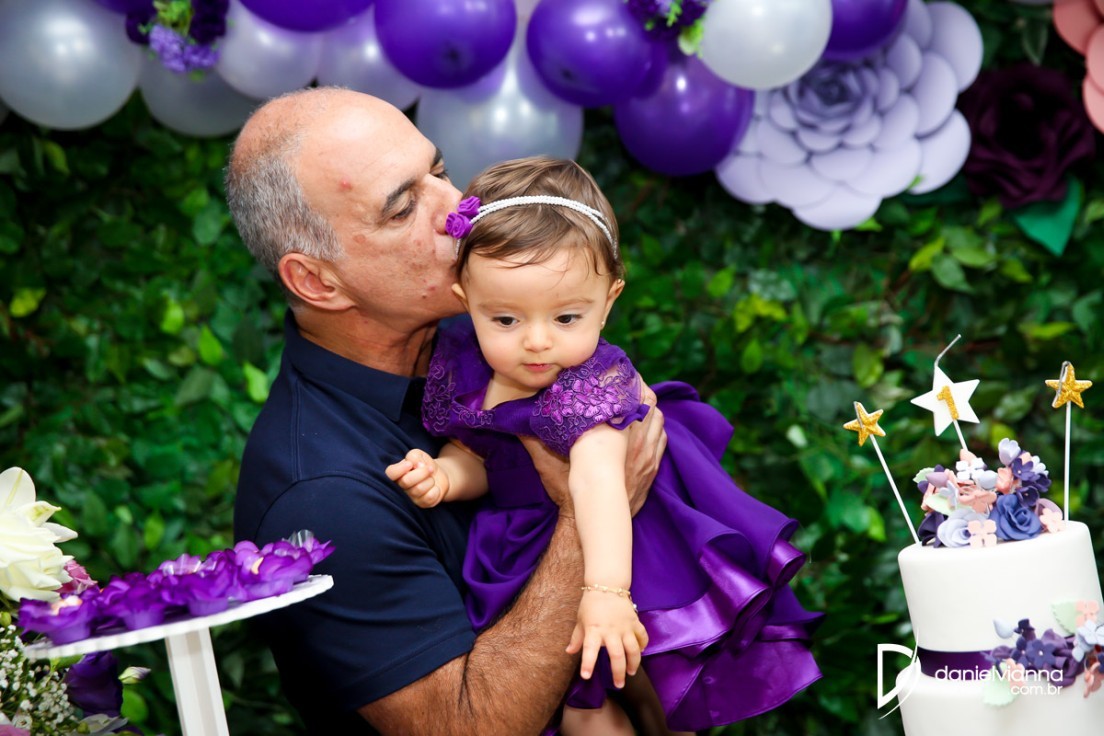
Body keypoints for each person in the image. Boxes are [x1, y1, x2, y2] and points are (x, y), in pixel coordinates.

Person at [226, 88, 667, 735]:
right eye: (404, 206)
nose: (460, 208)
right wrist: (592, 509)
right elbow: (464, 727)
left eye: (438, 171)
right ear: (317, 281)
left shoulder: (498, 337)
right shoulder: (318, 497)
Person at [386, 156, 822, 735]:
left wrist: (608, 592)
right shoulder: (465, 366)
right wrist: (445, 475)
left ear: (609, 299)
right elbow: (483, 456)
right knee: (571, 703)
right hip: (524, 544)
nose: (537, 341)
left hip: (622, 542)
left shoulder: (590, 383)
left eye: (567, 317)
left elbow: (597, 481)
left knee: (655, 677)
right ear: (466, 299)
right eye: (506, 319)